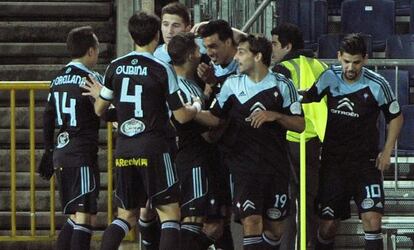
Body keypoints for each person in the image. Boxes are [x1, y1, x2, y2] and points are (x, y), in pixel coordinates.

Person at [82, 11, 201, 250]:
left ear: (132, 35)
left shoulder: (115, 66)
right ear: (157, 34)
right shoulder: (161, 68)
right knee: (170, 214)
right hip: (155, 148)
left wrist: (109, 103)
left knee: (126, 216)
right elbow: (180, 115)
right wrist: (197, 105)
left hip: (125, 148)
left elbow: (100, 110)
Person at [195, 34, 305, 250]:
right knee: (251, 221)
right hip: (243, 167)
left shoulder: (283, 85)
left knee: (275, 230)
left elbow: (300, 125)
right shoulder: (231, 85)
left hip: (275, 167)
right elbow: (216, 117)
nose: (236, 57)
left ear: (258, 56)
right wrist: (191, 113)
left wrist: (276, 116)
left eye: (242, 52)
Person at [301, 33, 403, 250]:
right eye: (346, 61)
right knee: (328, 225)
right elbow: (306, 98)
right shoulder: (329, 77)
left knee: (373, 220)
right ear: (339, 57)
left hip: (365, 164)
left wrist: (387, 152)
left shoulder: (378, 84)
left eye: (356, 62)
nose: (350, 67)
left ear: (365, 59)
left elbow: (396, 117)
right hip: (333, 163)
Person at [38, 26, 102, 250]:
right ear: (91, 51)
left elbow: (47, 116)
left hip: (62, 152)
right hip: (81, 153)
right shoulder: (91, 78)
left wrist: (48, 151)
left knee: (80, 217)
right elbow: (104, 108)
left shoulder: (57, 78)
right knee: (84, 217)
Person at [271, 23, 328, 249]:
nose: (272, 49)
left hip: (293, 141)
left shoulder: (283, 69)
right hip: (319, 141)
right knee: (309, 202)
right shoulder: (322, 66)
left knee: (293, 203)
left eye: (275, 44)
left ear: (288, 45)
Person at [168, 32, 224, 250]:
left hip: (175, 160)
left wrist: (208, 91)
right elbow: (206, 130)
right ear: (191, 55)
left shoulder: (173, 84)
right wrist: (222, 122)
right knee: (194, 222)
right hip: (192, 161)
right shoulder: (186, 90)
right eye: (198, 50)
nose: (202, 54)